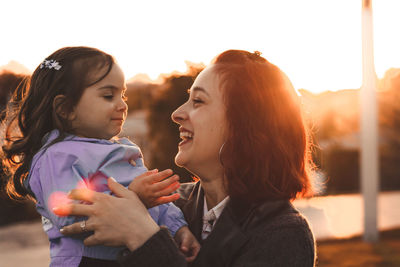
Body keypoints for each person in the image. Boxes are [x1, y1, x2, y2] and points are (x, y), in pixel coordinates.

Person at [54, 49, 316, 266]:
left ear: (245, 124)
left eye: (198, 102)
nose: (177, 113)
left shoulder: (283, 235)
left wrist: (144, 237)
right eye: (186, 100)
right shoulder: (166, 205)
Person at [1, 46, 199, 267]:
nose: (122, 105)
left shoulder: (122, 151)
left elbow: (156, 202)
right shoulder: (57, 156)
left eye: (122, 94)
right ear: (65, 108)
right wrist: (133, 199)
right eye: (108, 96)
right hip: (86, 261)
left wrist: (179, 229)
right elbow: (69, 217)